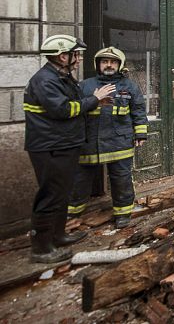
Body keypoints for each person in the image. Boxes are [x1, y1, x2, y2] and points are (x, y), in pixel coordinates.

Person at [24, 35, 116, 263]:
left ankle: (58, 234)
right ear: (62, 56)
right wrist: (94, 99)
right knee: (51, 194)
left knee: (62, 192)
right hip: (50, 146)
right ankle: (42, 248)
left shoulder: (62, 77)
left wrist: (94, 102)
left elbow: (74, 104)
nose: (79, 58)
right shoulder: (45, 80)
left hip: (64, 143)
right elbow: (63, 110)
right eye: (75, 54)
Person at [69, 47, 147, 229]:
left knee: (121, 178)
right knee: (80, 180)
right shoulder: (84, 86)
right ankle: (71, 216)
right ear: (98, 65)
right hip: (89, 142)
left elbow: (138, 111)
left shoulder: (130, 86)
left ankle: (123, 213)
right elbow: (74, 110)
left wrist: (141, 133)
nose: (109, 65)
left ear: (119, 65)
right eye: (104, 62)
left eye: (112, 62)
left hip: (119, 141)